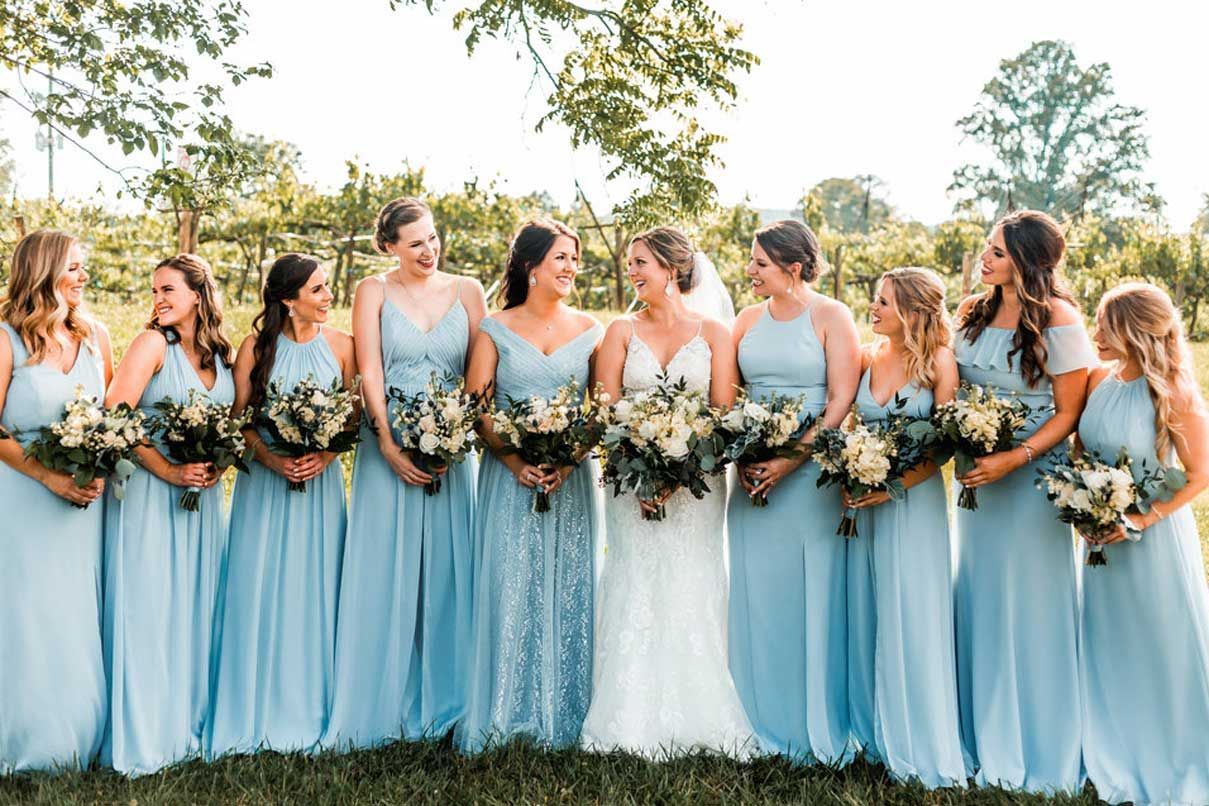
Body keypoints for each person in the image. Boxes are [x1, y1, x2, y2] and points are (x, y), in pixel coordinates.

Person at [580, 226, 753, 758]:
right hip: (629, 487)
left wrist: (679, 473)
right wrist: (641, 472)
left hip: (697, 490)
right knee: (635, 580)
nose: (631, 272)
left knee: (691, 582)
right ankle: (627, 718)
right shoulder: (619, 331)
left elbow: (723, 417)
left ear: (672, 270)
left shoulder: (716, 334)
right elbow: (605, 414)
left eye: (640, 264)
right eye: (630, 263)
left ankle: (700, 711)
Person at [325, 197, 486, 748]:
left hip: (449, 446)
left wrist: (455, 435)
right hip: (386, 440)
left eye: (433, 238)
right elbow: (368, 368)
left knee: (447, 571)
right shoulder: (372, 290)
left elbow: (479, 374)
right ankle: (380, 702)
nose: (429, 250)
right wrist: (387, 443)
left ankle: (451, 699)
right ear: (389, 246)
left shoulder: (468, 291)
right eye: (415, 242)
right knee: (383, 567)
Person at [953, 210, 1095, 793]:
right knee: (983, 592)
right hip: (977, 479)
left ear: (1030, 262)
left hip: (1034, 478)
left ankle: (1039, 737)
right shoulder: (972, 311)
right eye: (987, 248)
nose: (985, 260)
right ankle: (981, 729)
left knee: (1031, 600)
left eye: (999, 253)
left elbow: (1069, 412)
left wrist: (1016, 457)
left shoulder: (1060, 319)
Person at [458, 219, 603, 752]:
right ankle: (506, 704)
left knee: (568, 583)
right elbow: (480, 408)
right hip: (508, 477)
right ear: (530, 265)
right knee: (510, 581)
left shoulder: (592, 328)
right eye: (560, 258)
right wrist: (515, 460)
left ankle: (568, 706)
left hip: (571, 479)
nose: (570, 268)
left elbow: (600, 409)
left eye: (573, 258)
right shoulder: (495, 327)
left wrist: (567, 459)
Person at [207, 254, 357, 757]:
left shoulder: (343, 346)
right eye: (317, 290)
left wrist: (326, 452)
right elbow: (239, 418)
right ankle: (255, 702)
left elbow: (354, 418)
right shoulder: (258, 347)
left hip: (320, 487)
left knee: (315, 585)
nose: (328, 296)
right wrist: (271, 458)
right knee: (260, 583)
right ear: (289, 300)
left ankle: (311, 700)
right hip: (265, 489)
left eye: (326, 287)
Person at [726, 219, 861, 763]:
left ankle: (813, 718)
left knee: (812, 592)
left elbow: (840, 399)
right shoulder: (745, 318)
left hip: (808, 478)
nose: (750, 270)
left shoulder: (831, 316)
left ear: (794, 268)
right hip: (753, 475)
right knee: (758, 592)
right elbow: (728, 391)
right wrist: (743, 455)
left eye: (760, 263)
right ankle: (753, 715)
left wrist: (791, 458)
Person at [1078, 282, 1209, 806]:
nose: (1095, 334)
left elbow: (1200, 474)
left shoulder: (1171, 390)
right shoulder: (1096, 378)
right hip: (1098, 536)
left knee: (1159, 643)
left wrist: (1139, 518)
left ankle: (1171, 746)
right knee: (1108, 641)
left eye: (1105, 325)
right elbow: (1084, 449)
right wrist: (1083, 504)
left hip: (1151, 540)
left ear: (1133, 329)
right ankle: (1109, 738)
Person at [844, 268, 965, 787]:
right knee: (868, 607)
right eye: (875, 300)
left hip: (912, 504)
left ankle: (918, 736)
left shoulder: (939, 363)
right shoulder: (869, 358)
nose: (873, 309)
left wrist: (894, 483)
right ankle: (871, 728)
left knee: (911, 610)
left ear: (914, 312)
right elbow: (851, 424)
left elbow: (945, 443)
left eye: (884, 302)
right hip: (862, 505)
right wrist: (853, 470)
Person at [0, 230, 113, 772]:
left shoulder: (95, 336)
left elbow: (112, 420)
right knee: (28, 613)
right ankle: (29, 739)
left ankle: (81, 731)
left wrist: (99, 469)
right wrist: (49, 478)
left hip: (84, 507)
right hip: (23, 498)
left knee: (77, 612)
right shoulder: (7, 339)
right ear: (43, 271)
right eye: (73, 267)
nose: (83, 277)